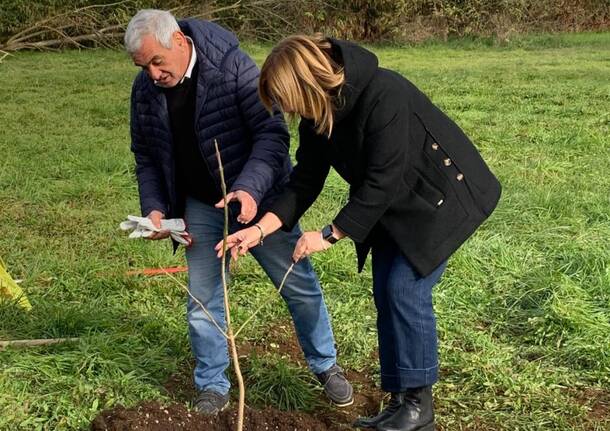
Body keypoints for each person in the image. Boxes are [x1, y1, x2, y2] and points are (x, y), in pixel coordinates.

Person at [219, 35, 502, 431]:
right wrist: (260, 230)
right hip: (393, 207)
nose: (286, 111)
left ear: (305, 83)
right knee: (386, 289)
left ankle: (420, 407)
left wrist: (330, 234)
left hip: (442, 199)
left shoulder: (383, 93)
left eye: (286, 100)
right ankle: (401, 401)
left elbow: (382, 181)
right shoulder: (318, 116)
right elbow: (304, 181)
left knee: (405, 289)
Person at [124, 12, 353, 415]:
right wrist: (156, 208)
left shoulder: (232, 68)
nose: (153, 74)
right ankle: (212, 384)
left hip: (261, 202)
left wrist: (248, 188)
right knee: (203, 299)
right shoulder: (145, 91)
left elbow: (272, 134)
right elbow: (145, 154)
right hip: (200, 205)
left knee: (297, 284)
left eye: (157, 62)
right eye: (143, 67)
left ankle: (325, 364)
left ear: (178, 40)